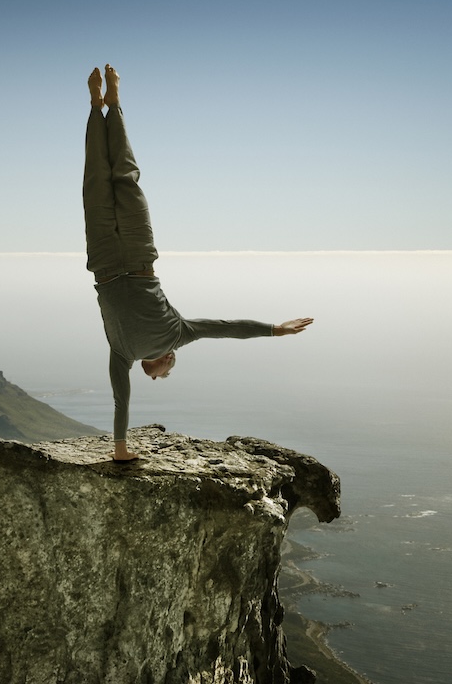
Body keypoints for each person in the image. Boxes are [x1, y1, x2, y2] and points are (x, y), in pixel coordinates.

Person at [84, 65, 313, 461]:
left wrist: (121, 448)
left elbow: (123, 397)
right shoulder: (174, 336)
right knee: (121, 178)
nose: (165, 375)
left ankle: (96, 106)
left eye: (163, 376)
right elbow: (228, 329)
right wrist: (274, 330)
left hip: (112, 258)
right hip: (130, 258)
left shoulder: (131, 352)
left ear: (157, 364)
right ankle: (113, 105)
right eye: (168, 375)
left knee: (100, 181)